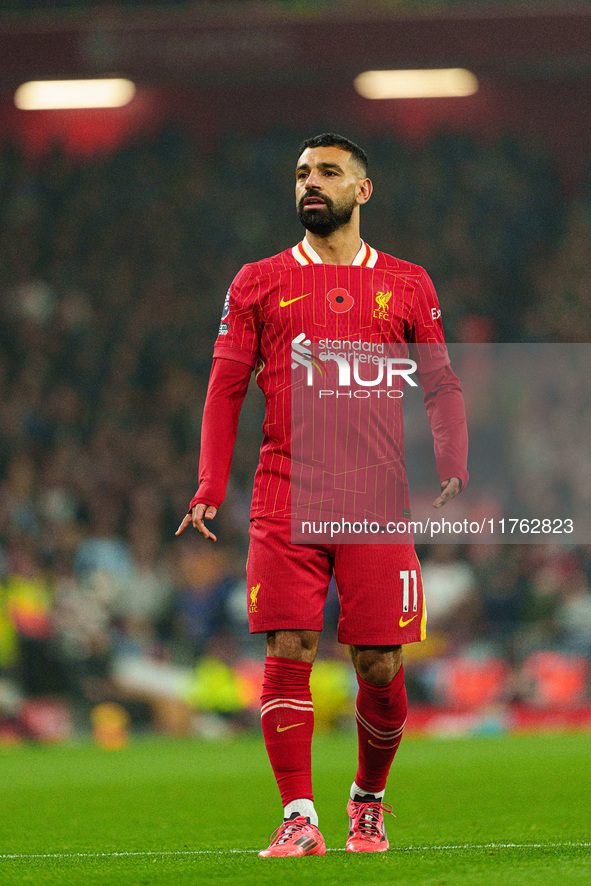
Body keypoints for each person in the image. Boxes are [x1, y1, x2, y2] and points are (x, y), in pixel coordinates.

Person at [176, 133, 468, 857]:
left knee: (378, 665)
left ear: (361, 190)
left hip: (375, 504)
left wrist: (452, 463)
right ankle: (297, 816)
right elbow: (225, 386)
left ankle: (365, 799)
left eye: (328, 173)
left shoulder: (407, 283)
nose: (311, 183)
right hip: (284, 496)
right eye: (302, 173)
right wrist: (211, 483)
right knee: (289, 647)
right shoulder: (255, 281)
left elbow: (440, 383)